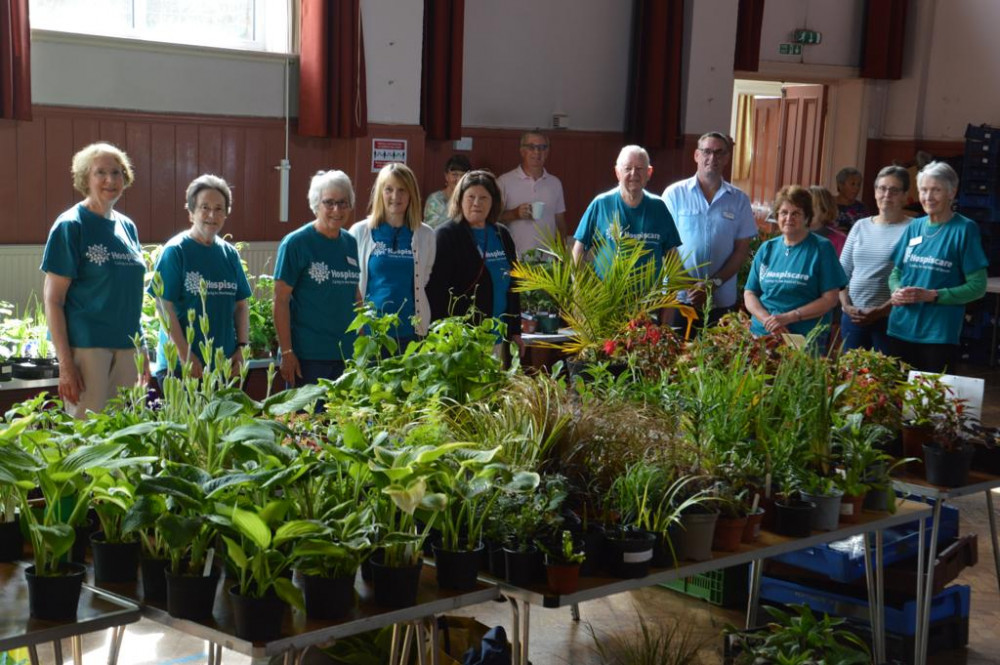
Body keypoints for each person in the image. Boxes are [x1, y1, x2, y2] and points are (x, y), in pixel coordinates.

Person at [41, 142, 145, 418]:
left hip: (127, 348)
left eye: (117, 172)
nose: (110, 180)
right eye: (100, 172)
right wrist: (65, 364)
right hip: (87, 348)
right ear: (85, 178)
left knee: (126, 432)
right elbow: (53, 299)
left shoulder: (127, 227)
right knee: (87, 435)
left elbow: (131, 295)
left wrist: (141, 345)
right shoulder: (70, 225)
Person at [887, 162, 988, 373]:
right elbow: (896, 272)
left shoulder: (964, 229)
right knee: (895, 399)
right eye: (924, 190)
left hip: (938, 335)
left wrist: (933, 295)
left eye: (936, 190)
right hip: (900, 329)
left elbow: (978, 286)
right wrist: (895, 290)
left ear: (952, 192)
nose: (928, 197)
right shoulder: (914, 226)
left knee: (928, 403)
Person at [150, 175, 251, 385]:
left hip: (224, 365)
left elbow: (241, 305)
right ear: (191, 212)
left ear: (226, 214)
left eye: (219, 208)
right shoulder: (176, 251)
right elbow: (163, 305)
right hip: (181, 367)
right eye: (204, 207)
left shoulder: (229, 255)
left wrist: (242, 347)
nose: (212, 215)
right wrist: (185, 354)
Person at [273, 170, 361, 387]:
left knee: (341, 420)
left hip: (346, 354)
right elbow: (280, 300)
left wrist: (362, 340)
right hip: (308, 357)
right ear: (316, 204)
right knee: (306, 420)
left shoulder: (350, 242)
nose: (336, 210)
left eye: (343, 203)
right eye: (329, 203)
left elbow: (355, 293)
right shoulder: (296, 243)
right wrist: (287, 352)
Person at [663, 132, 756, 327]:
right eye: (707, 152)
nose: (712, 158)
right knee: (676, 354)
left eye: (719, 153)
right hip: (679, 297)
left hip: (721, 300)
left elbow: (741, 251)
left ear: (727, 158)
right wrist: (690, 286)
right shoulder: (674, 194)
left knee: (717, 356)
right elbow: (666, 245)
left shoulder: (739, 200)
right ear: (696, 155)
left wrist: (712, 285)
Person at [427, 170, 522, 351]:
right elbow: (435, 291)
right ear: (460, 199)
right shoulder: (445, 236)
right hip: (462, 340)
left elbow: (514, 285)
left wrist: (515, 330)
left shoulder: (502, 234)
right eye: (471, 197)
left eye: (483, 198)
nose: (477, 203)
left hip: (499, 337)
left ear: (493, 202)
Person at [743, 185, 847, 344]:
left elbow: (830, 299)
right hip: (762, 334)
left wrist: (788, 318)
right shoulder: (767, 248)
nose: (789, 218)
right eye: (784, 213)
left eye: (796, 213)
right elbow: (750, 293)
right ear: (777, 216)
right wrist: (767, 321)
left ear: (807, 217)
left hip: (804, 338)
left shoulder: (822, 248)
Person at [349, 163, 436, 350]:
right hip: (371, 331)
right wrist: (360, 326)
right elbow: (351, 283)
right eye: (389, 189)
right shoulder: (360, 231)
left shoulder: (425, 234)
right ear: (380, 192)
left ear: (411, 193)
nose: (395, 197)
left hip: (412, 331)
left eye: (402, 190)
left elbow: (424, 278)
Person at [572, 145, 682, 278]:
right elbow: (578, 250)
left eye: (639, 169)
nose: (634, 174)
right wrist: (579, 288)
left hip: (650, 297)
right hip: (608, 297)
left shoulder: (659, 207)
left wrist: (682, 289)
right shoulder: (601, 204)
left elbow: (672, 256)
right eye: (628, 168)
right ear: (618, 173)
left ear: (649, 173)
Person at [839, 166, 913, 353]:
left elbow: (912, 279)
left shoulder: (913, 229)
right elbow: (841, 274)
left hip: (891, 319)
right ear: (874, 192)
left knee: (887, 377)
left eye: (894, 190)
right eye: (881, 188)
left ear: (905, 195)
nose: (886, 194)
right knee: (851, 377)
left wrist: (881, 311)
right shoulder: (860, 226)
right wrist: (846, 306)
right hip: (854, 317)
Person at [498, 130, 568, 255]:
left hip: (547, 261)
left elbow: (560, 225)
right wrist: (515, 214)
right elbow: (492, 220)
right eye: (531, 147)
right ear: (522, 151)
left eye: (542, 147)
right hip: (515, 260)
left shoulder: (555, 183)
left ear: (547, 152)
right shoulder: (504, 182)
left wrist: (562, 257)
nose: (537, 152)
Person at [424, 154, 472, 229]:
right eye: (454, 174)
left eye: (463, 175)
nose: (459, 180)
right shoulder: (435, 199)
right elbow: (431, 228)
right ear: (446, 176)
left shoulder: (472, 199)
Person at [808, 186, 848, 257]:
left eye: (811, 206)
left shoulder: (839, 240)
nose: (806, 210)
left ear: (825, 211)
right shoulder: (793, 236)